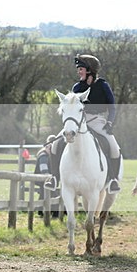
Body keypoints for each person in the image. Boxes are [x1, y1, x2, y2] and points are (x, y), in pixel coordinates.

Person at [44, 55, 122, 194]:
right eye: (78, 69)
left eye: (81, 69)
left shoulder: (103, 86)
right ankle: (54, 177)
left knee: (114, 147)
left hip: (98, 121)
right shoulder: (77, 87)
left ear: (90, 70)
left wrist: (110, 122)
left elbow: (112, 107)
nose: (78, 72)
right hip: (78, 122)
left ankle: (113, 180)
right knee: (56, 144)